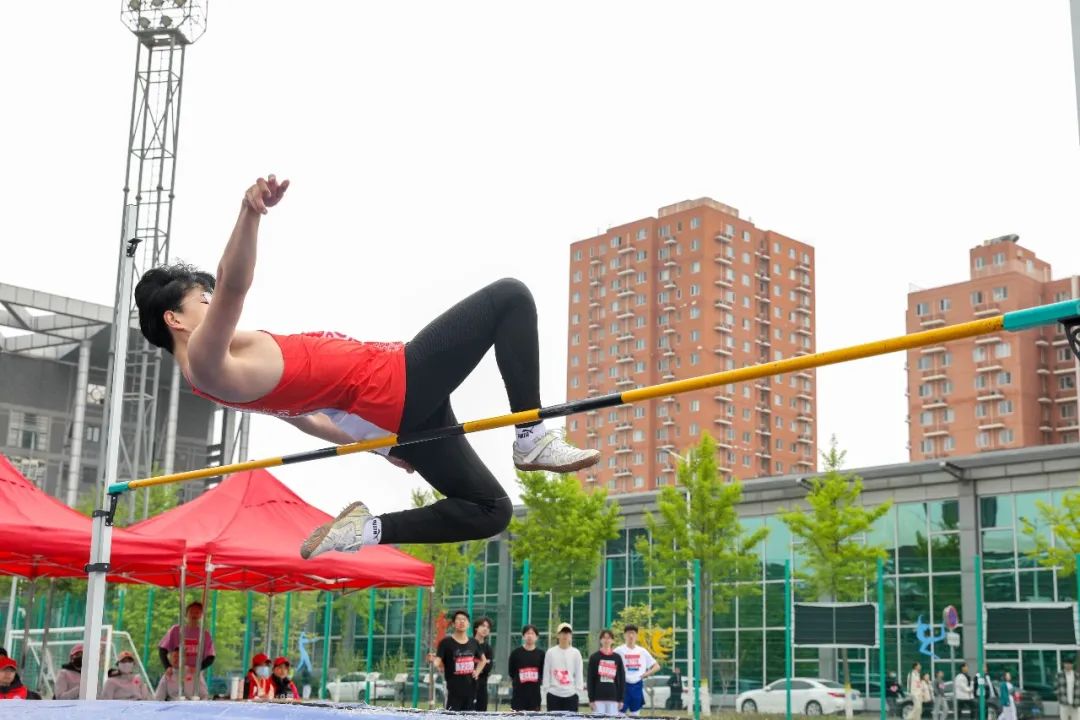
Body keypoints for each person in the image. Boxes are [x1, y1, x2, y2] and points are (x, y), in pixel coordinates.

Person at [133, 176, 601, 558]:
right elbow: (234, 285)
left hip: (396, 414)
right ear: (175, 320)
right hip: (395, 384)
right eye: (202, 299)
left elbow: (310, 420)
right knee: (510, 297)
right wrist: (250, 212)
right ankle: (531, 436)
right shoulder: (206, 362)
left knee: (490, 509)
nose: (213, 304)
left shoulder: (226, 371)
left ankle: (365, 530)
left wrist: (379, 447)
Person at [430, 610, 486, 711]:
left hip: (471, 690)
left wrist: (477, 672)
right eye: (459, 619)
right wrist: (432, 660)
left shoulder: (473, 642)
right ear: (453, 624)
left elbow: (483, 660)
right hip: (453, 691)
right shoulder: (446, 643)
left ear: (468, 624)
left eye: (464, 620)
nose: (462, 622)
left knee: (470, 716)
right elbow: (437, 661)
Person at [158, 601, 216, 673]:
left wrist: (198, 668)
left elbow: (211, 656)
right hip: (176, 671)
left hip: (194, 674)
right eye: (191, 612)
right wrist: (167, 667)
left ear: (201, 615)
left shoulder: (205, 635)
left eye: (197, 612)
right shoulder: (176, 630)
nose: (194, 615)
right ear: (186, 614)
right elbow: (162, 649)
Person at [615, 624, 659, 716]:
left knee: (635, 714)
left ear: (637, 636)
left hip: (637, 685)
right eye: (628, 633)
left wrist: (646, 674)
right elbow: (610, 663)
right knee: (620, 714)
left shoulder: (642, 651)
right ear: (624, 635)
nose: (631, 636)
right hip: (623, 685)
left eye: (633, 633)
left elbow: (656, 666)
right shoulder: (618, 650)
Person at [542, 623, 583, 712]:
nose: (565, 635)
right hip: (553, 694)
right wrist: (547, 690)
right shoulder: (550, 652)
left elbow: (579, 673)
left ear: (571, 636)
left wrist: (577, 692)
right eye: (563, 632)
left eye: (568, 633)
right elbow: (546, 673)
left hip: (571, 695)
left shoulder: (576, 653)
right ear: (558, 635)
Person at [587, 629, 625, 716]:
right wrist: (591, 699)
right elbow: (590, 680)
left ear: (612, 640)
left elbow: (622, 680)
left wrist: (621, 699)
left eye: (609, 638)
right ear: (600, 640)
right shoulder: (594, 657)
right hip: (598, 698)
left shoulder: (617, 658)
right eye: (604, 638)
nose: (606, 640)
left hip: (613, 698)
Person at [508, 624, 545, 711]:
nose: (530, 636)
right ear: (523, 636)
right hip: (518, 695)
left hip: (534, 696)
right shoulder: (515, 653)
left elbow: (542, 672)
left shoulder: (541, 654)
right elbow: (511, 672)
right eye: (527, 633)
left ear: (537, 637)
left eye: (532, 633)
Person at [473, 616, 495, 711]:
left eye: (488, 627)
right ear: (476, 628)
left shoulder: (488, 648)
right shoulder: (468, 644)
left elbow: (488, 668)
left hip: (482, 686)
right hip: (466, 686)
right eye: (482, 626)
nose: (485, 629)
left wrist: (477, 670)